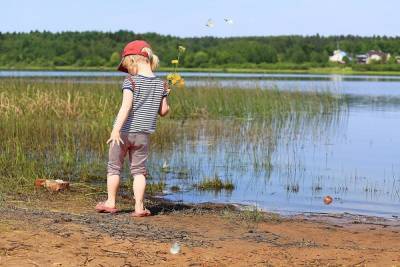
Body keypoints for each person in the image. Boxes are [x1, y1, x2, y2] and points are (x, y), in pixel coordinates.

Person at [95, 40, 170, 217]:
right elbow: (164, 111)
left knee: (114, 168)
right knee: (139, 172)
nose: (128, 71)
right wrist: (166, 94)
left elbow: (125, 107)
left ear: (133, 61)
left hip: (123, 133)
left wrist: (115, 130)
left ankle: (111, 202)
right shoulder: (160, 85)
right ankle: (139, 207)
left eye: (127, 66)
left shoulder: (131, 81)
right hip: (143, 135)